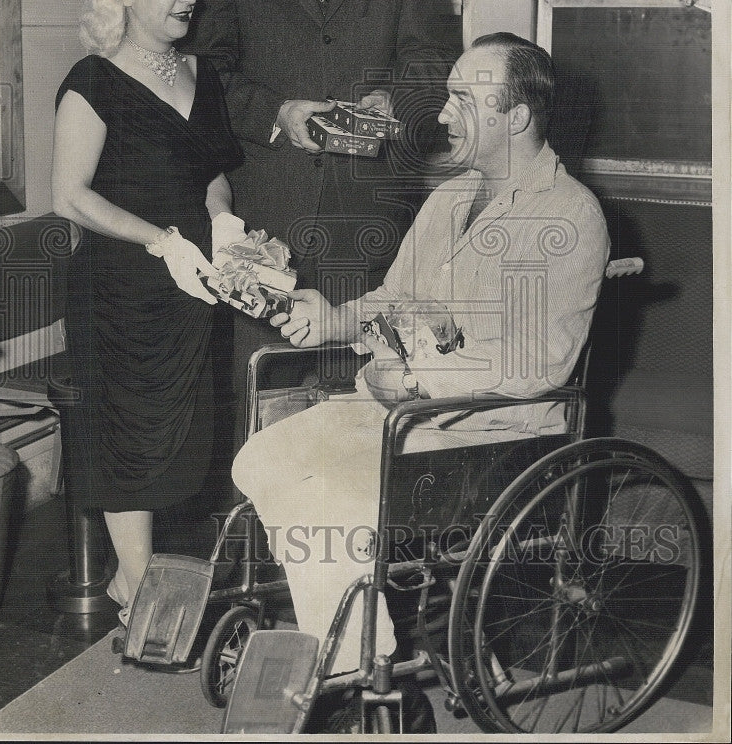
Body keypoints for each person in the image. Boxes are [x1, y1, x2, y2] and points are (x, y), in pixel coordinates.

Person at [231, 33, 611, 674]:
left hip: (494, 434)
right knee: (264, 457)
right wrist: (333, 320)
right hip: (405, 411)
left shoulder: (564, 216)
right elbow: (395, 297)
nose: (440, 114)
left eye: (463, 99)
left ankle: (353, 672)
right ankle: (369, 644)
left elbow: (521, 367)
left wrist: (410, 372)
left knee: (327, 493)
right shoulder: (451, 197)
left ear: (515, 116)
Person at [184, 0, 455, 458]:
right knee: (261, 386)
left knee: (359, 391)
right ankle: (263, 544)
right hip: (265, 215)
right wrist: (276, 113)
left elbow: (430, 60)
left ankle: (351, 547)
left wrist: (396, 97)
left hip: (367, 212)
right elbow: (206, 75)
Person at [51, 0, 245, 622]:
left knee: (179, 441)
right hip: (122, 290)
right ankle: (138, 587)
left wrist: (222, 222)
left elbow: (211, 171)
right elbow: (69, 196)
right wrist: (158, 240)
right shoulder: (92, 83)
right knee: (128, 440)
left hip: (192, 285)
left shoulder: (200, 75)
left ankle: (134, 583)